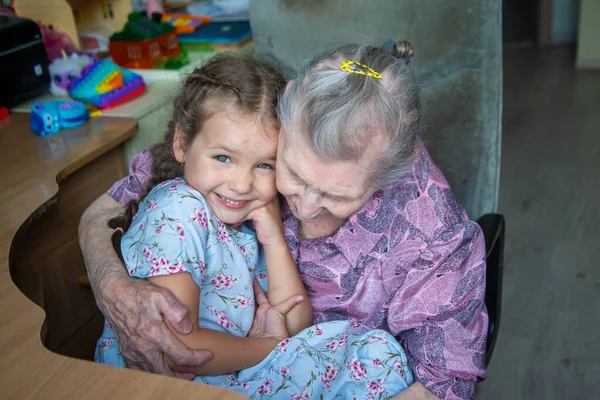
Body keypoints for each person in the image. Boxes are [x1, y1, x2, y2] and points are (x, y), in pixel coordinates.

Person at [80, 41, 488, 399]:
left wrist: (274, 246)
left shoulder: (432, 230)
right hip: (225, 367)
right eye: (291, 173)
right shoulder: (240, 144)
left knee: (379, 355)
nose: (306, 208)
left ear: (390, 175)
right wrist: (110, 283)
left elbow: (442, 384)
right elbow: (106, 210)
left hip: (279, 363)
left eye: (336, 196)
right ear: (287, 110)